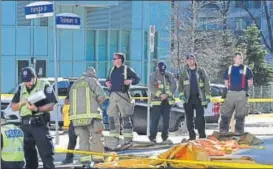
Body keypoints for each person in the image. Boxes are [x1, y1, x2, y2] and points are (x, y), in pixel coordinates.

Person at [11, 67, 56, 169]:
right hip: (25, 126)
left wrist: (37, 108)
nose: (28, 83)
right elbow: (13, 107)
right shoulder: (20, 87)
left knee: (46, 154)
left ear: (35, 77)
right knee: (29, 156)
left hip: (39, 124)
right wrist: (22, 102)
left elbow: (51, 105)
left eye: (29, 80)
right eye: (25, 81)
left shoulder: (44, 84)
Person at [69, 67, 106, 168]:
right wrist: (97, 104)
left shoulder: (75, 84)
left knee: (83, 140)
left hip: (77, 118)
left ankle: (85, 162)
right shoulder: (92, 81)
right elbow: (102, 96)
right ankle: (98, 162)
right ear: (93, 74)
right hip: (92, 116)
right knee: (96, 138)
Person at [105, 52, 140, 150]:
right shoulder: (111, 69)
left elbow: (137, 79)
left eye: (115, 58)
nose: (113, 60)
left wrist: (130, 81)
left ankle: (127, 140)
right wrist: (107, 83)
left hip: (123, 95)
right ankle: (114, 139)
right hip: (113, 95)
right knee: (112, 117)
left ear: (120, 59)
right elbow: (108, 80)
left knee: (125, 117)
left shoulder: (126, 69)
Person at [178, 54, 211, 140]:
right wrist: (181, 96)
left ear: (195, 60)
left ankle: (202, 136)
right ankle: (192, 136)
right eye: (189, 59)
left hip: (199, 98)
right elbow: (180, 85)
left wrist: (207, 97)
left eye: (192, 59)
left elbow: (207, 84)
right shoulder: (184, 72)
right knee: (189, 119)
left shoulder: (201, 71)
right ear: (186, 61)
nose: (190, 61)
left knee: (200, 118)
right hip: (188, 99)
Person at [219, 52, 253, 134]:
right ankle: (223, 133)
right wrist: (228, 91)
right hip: (230, 94)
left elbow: (250, 82)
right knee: (225, 114)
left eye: (241, 58)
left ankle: (239, 133)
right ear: (234, 59)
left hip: (241, 94)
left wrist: (244, 91)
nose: (241, 59)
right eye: (239, 58)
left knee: (240, 115)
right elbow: (226, 82)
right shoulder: (229, 68)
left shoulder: (246, 69)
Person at [148, 61, 177, 144]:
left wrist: (167, 95)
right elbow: (152, 87)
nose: (162, 72)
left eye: (163, 70)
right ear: (157, 68)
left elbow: (174, 85)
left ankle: (165, 137)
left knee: (166, 121)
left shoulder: (169, 75)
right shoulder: (153, 76)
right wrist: (161, 95)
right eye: (161, 70)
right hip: (157, 102)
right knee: (154, 121)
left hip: (167, 102)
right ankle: (152, 137)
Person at [61, 95, 78, 164]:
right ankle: (69, 158)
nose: (65, 101)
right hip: (72, 122)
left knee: (83, 141)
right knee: (72, 140)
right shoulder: (67, 105)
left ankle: (69, 158)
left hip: (79, 121)